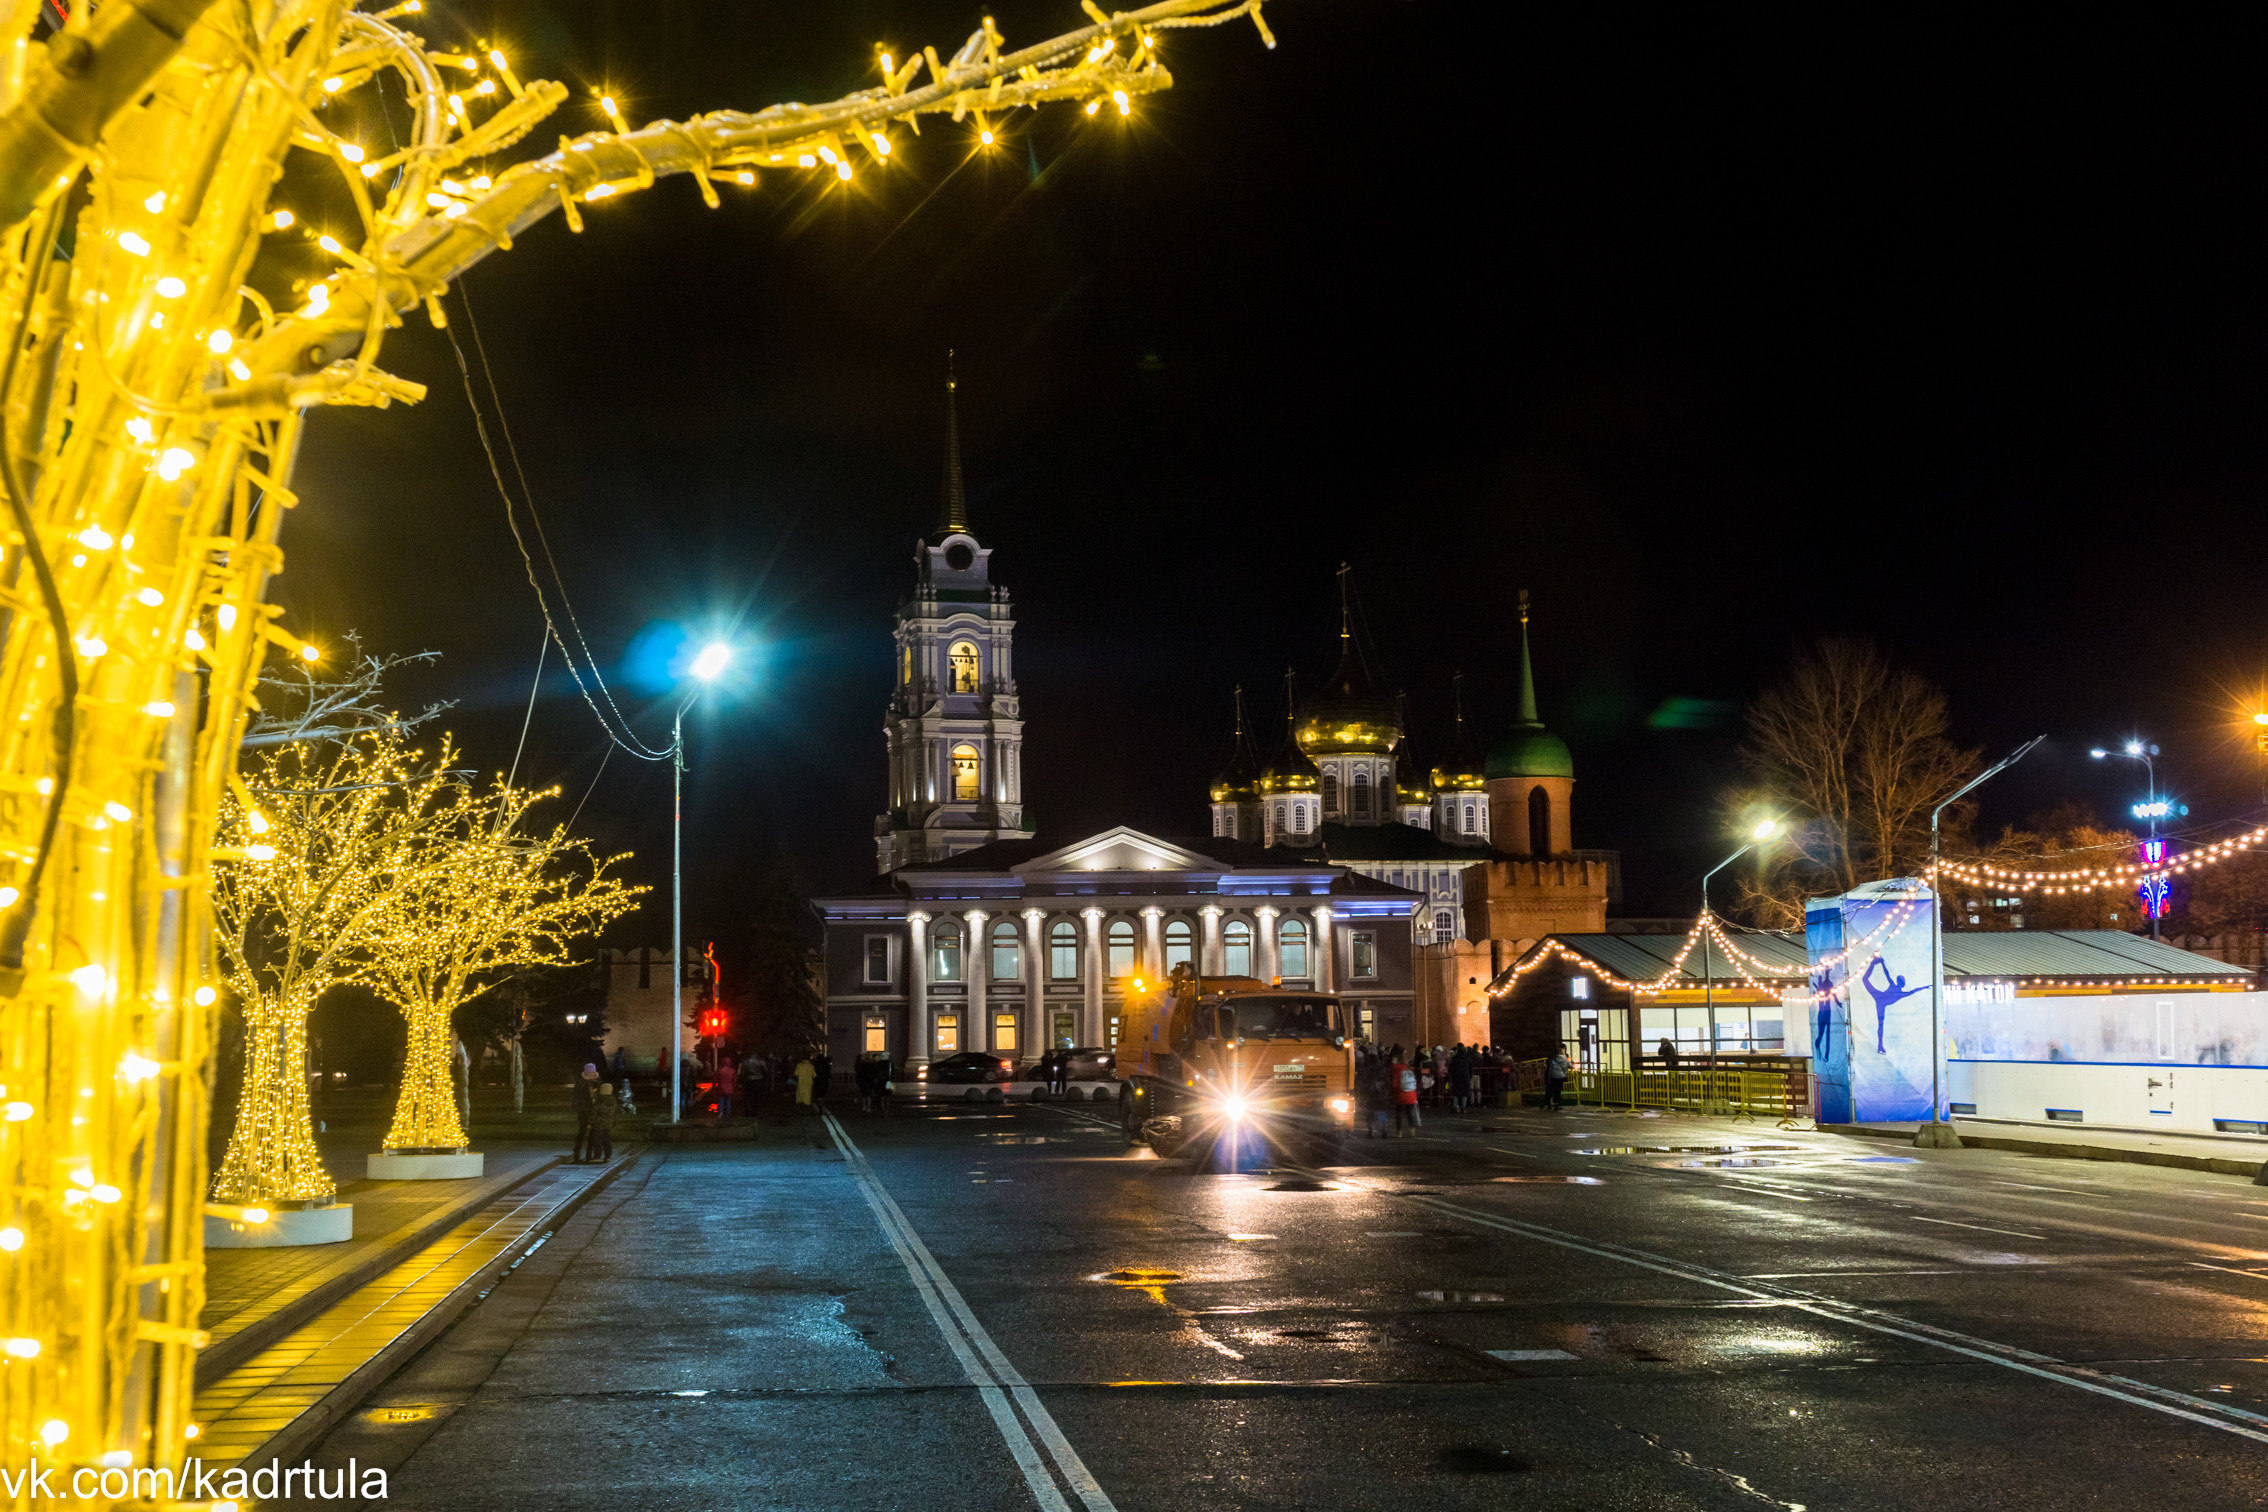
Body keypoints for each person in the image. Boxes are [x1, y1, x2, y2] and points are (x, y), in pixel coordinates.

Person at [572, 1064, 599, 1157]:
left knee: (592, 1132)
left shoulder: (597, 1082)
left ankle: (588, 1154)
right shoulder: (581, 1083)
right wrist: (581, 1107)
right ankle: (577, 1152)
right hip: (584, 1110)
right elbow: (577, 1096)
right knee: (583, 1131)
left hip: (593, 1110)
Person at [1391, 1049, 1420, 1136]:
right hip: (1411, 1094)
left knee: (1399, 1114)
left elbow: (1395, 1085)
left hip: (1400, 1094)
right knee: (1410, 1113)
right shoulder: (1409, 1069)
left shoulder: (1396, 1070)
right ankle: (1412, 1132)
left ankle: (1399, 1133)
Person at [588, 1081, 618, 1162]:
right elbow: (615, 1113)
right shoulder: (613, 1101)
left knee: (597, 1140)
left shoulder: (600, 1101)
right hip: (608, 1124)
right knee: (607, 1140)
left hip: (598, 1124)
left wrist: (590, 1123)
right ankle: (608, 1156)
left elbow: (594, 1113)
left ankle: (597, 1156)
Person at [1545, 1044, 1571, 1112]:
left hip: (1553, 1076)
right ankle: (1556, 1104)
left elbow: (1550, 1067)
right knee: (1557, 1091)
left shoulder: (1553, 1057)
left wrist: (1549, 1076)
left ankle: (1549, 1103)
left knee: (1551, 1090)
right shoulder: (1564, 1057)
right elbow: (1569, 1065)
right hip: (1560, 1077)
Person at [716, 1057, 737, 1121]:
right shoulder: (732, 1071)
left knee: (721, 1101)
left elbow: (715, 1079)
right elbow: (735, 1081)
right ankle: (728, 1115)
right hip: (729, 1089)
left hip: (721, 1089)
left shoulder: (720, 1070)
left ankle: (720, 1112)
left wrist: (715, 1087)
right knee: (728, 1102)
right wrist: (734, 1088)